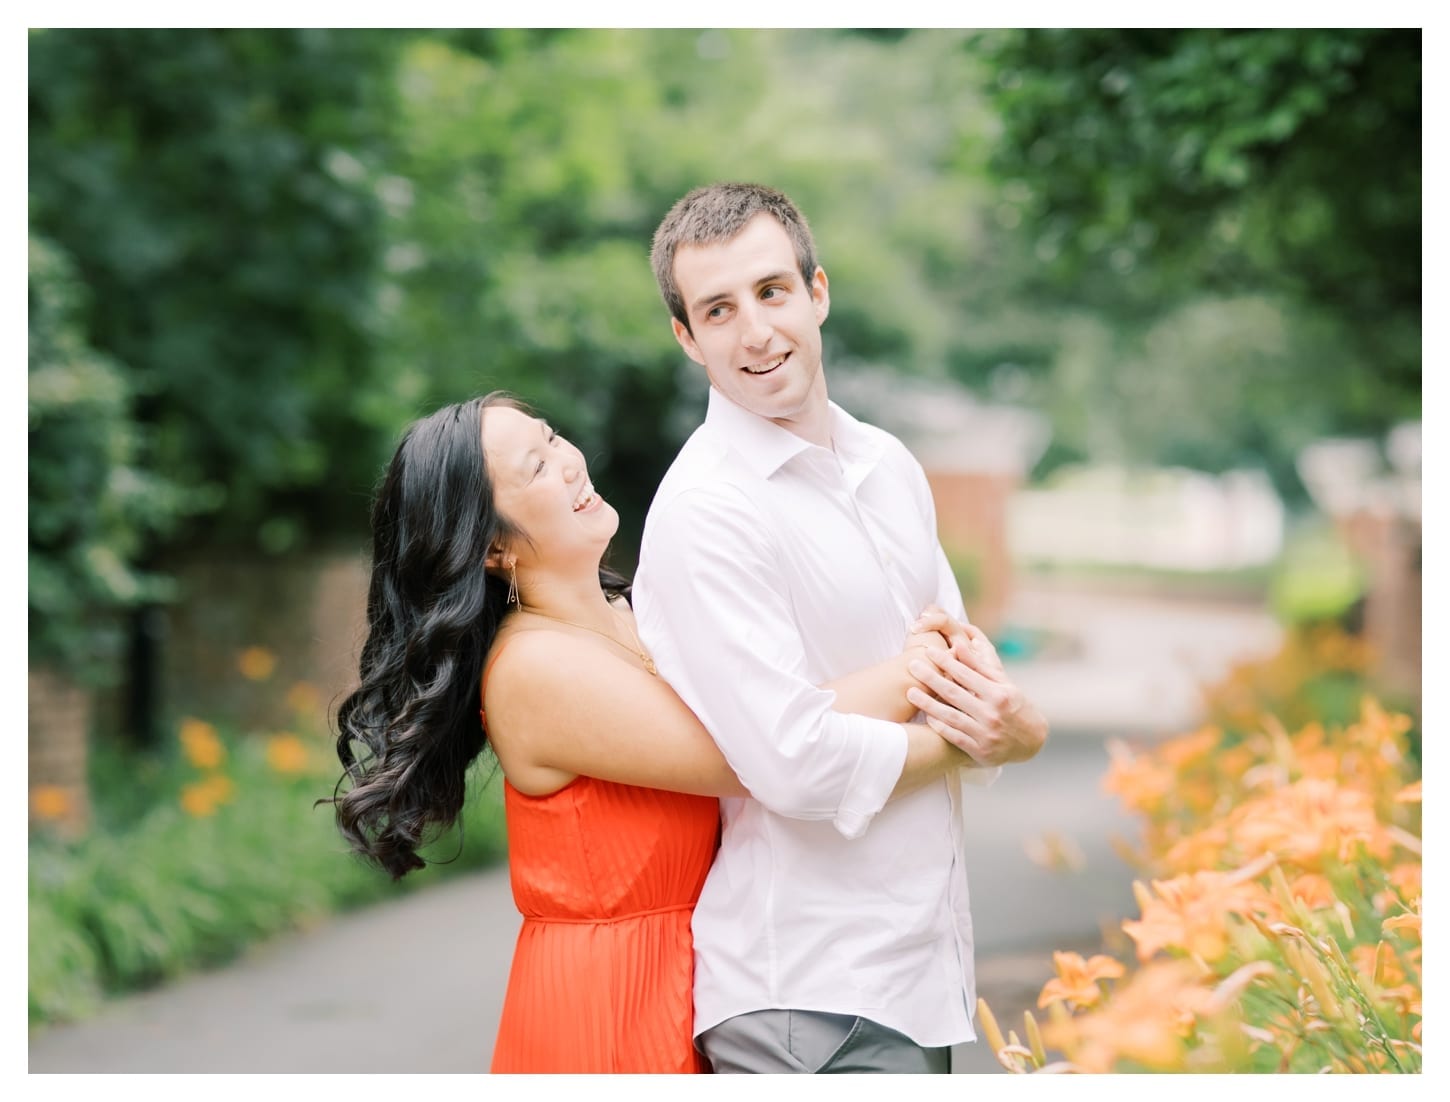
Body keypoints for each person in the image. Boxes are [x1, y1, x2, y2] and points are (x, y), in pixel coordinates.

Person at [327, 393, 988, 1073]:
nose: (568, 464)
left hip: (698, 975)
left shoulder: (633, 614)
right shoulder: (534, 669)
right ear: (492, 546)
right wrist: (938, 693)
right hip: (608, 1006)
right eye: (535, 468)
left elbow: (782, 716)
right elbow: (759, 754)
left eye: (553, 438)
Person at [633, 182, 1050, 1074]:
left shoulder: (889, 465)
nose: (755, 332)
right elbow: (794, 763)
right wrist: (995, 743)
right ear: (687, 337)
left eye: (772, 292)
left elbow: (962, 675)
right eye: (718, 309)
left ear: (817, 292)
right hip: (804, 996)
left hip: (914, 975)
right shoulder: (707, 509)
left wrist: (998, 722)